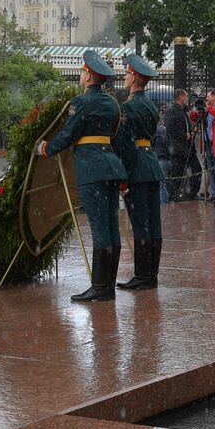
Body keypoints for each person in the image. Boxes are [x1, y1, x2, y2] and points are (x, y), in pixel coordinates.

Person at [38, 50, 126, 301]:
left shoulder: (81, 102)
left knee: (99, 228)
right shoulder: (112, 103)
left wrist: (47, 148)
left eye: (82, 72)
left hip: (92, 168)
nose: (80, 75)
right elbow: (116, 135)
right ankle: (107, 285)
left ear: (88, 76)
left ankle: (99, 288)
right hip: (111, 165)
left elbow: (69, 134)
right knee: (111, 226)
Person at [113, 53, 166, 290]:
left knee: (140, 224)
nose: (125, 78)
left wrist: (123, 176)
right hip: (152, 166)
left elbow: (124, 144)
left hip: (136, 168)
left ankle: (143, 276)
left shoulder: (126, 108)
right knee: (154, 223)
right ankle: (151, 274)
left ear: (134, 79)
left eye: (127, 74)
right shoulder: (151, 106)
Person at [162, 89, 193, 202]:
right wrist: (184, 135)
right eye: (185, 95)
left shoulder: (183, 110)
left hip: (184, 147)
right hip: (176, 147)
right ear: (180, 96)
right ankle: (173, 195)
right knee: (176, 171)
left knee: (182, 170)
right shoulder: (172, 111)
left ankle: (179, 193)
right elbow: (170, 128)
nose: (187, 98)